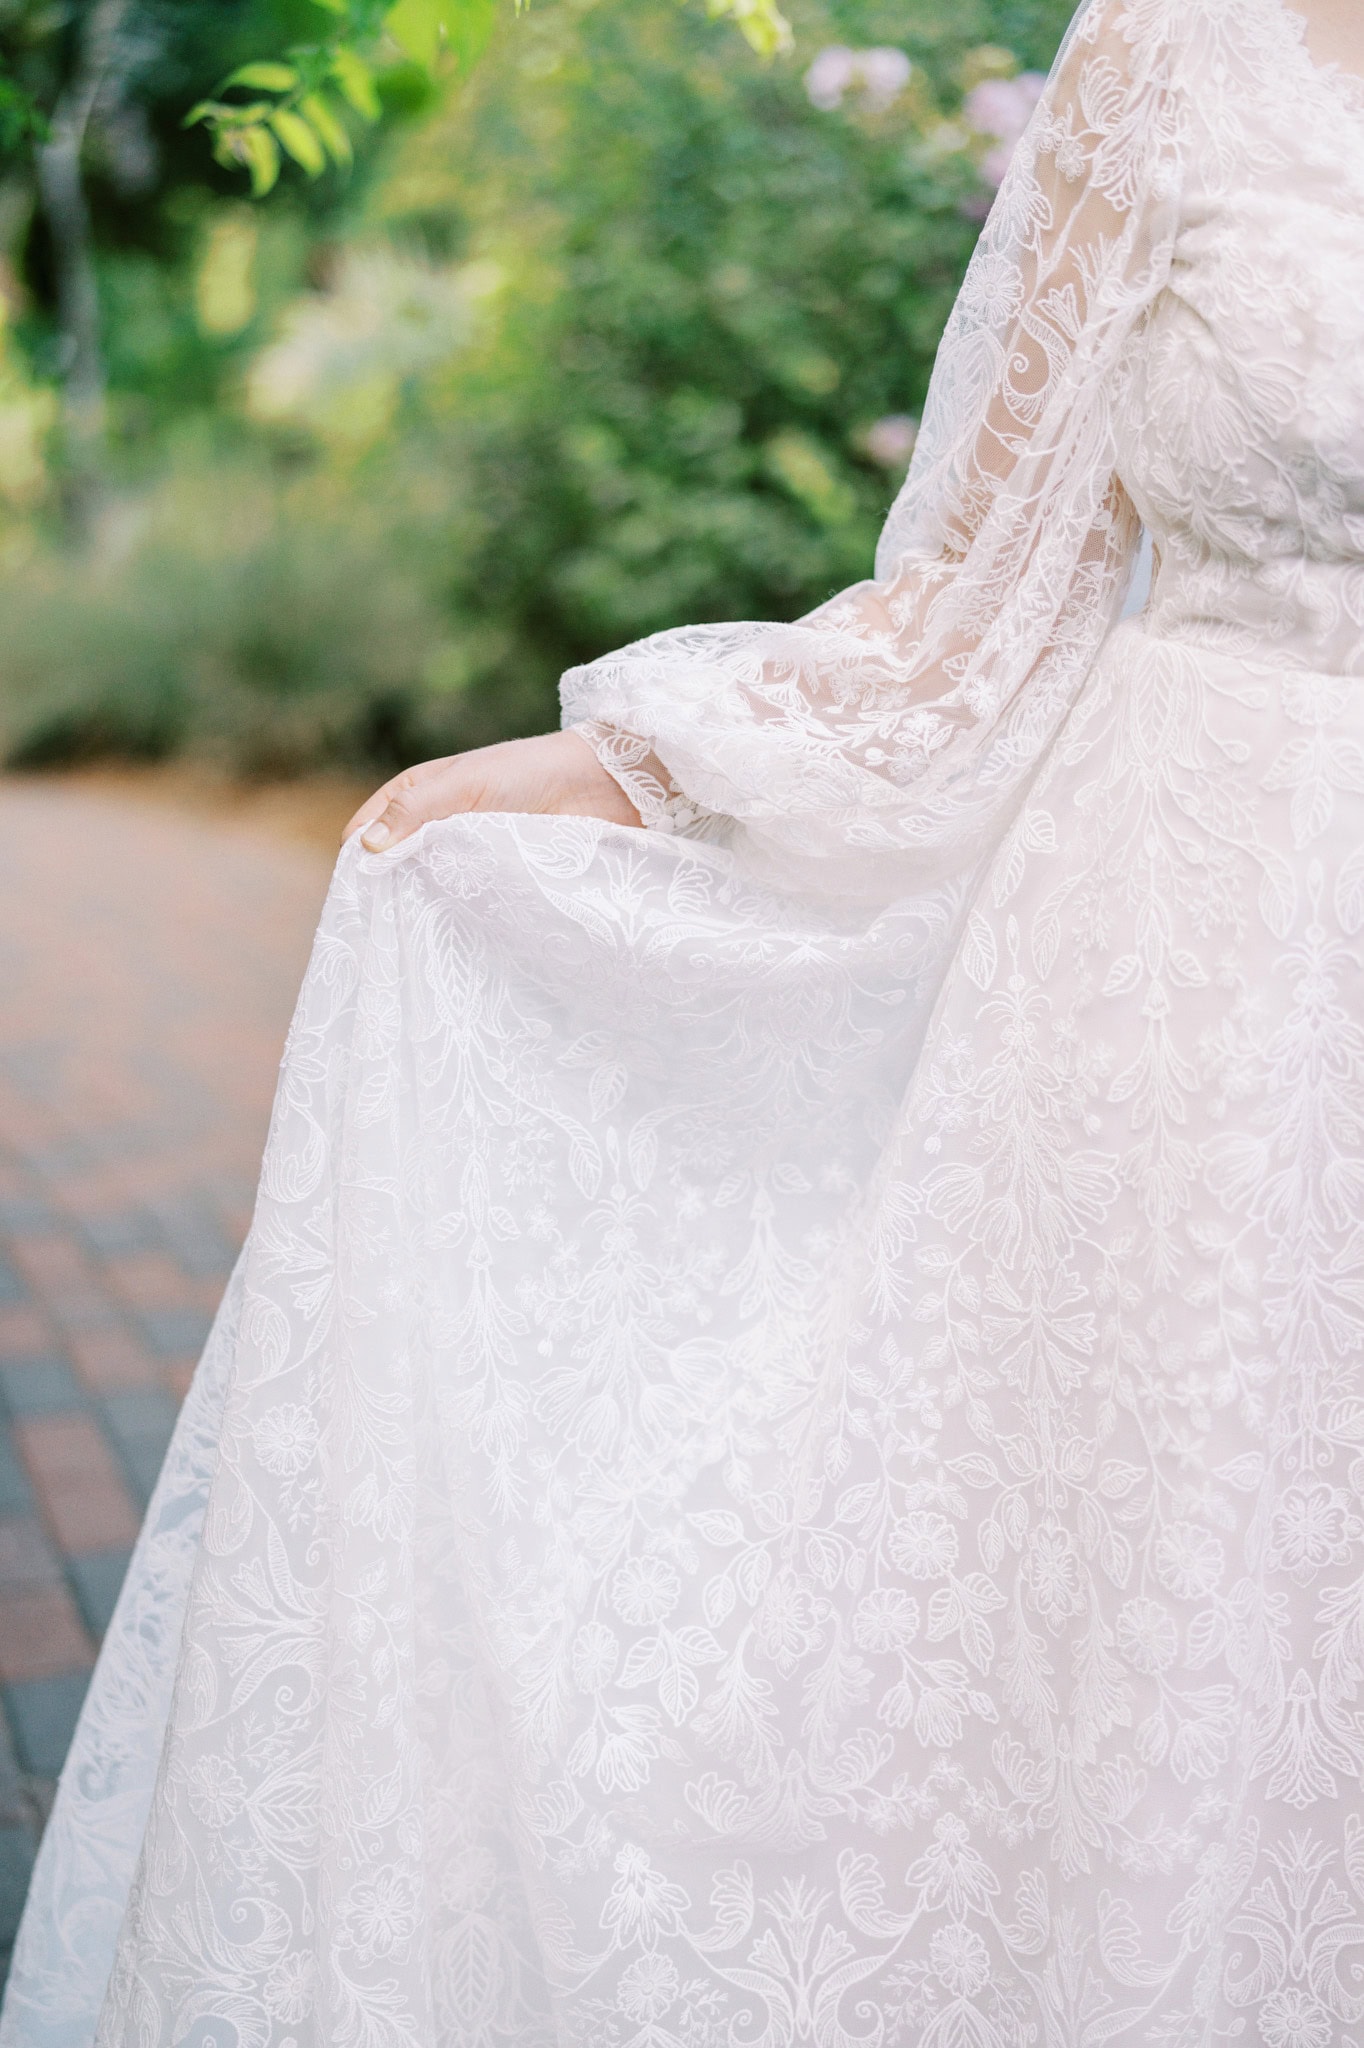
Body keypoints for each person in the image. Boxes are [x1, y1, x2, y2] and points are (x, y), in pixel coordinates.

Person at [7, 0, 1364, 2039]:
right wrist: (618, 772)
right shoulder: (1174, 50)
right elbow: (972, 611)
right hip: (1184, 966)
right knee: (1157, 1613)